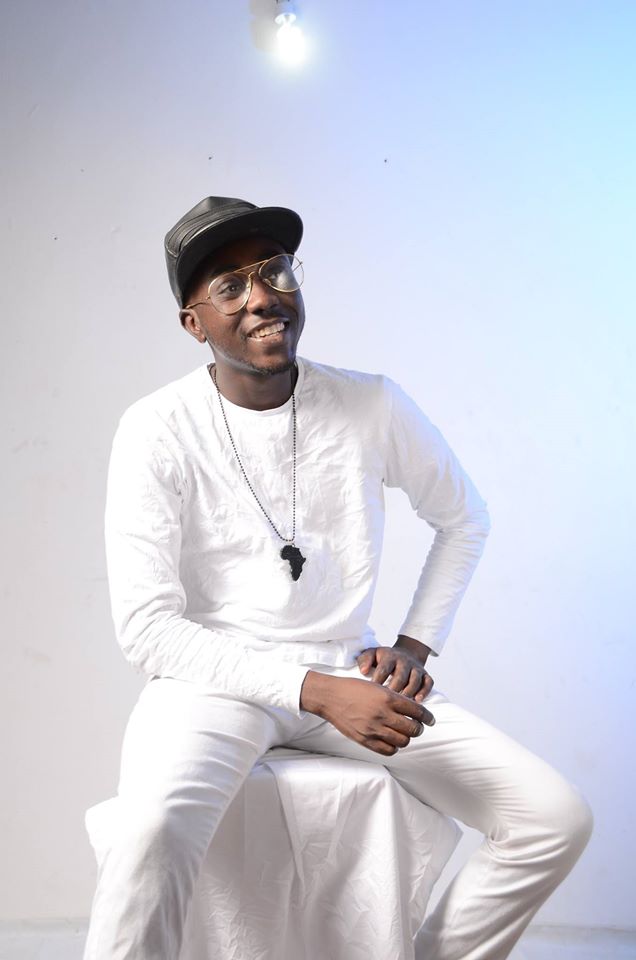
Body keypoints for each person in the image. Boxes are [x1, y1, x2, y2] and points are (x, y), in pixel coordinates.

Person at [83, 195, 593, 960]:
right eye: (229, 286)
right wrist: (316, 692)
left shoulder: (370, 404)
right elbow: (147, 630)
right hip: (212, 685)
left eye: (274, 271)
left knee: (552, 818)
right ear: (194, 323)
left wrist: (415, 646)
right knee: (151, 829)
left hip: (347, 667)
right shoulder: (156, 428)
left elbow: (464, 518)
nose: (262, 297)